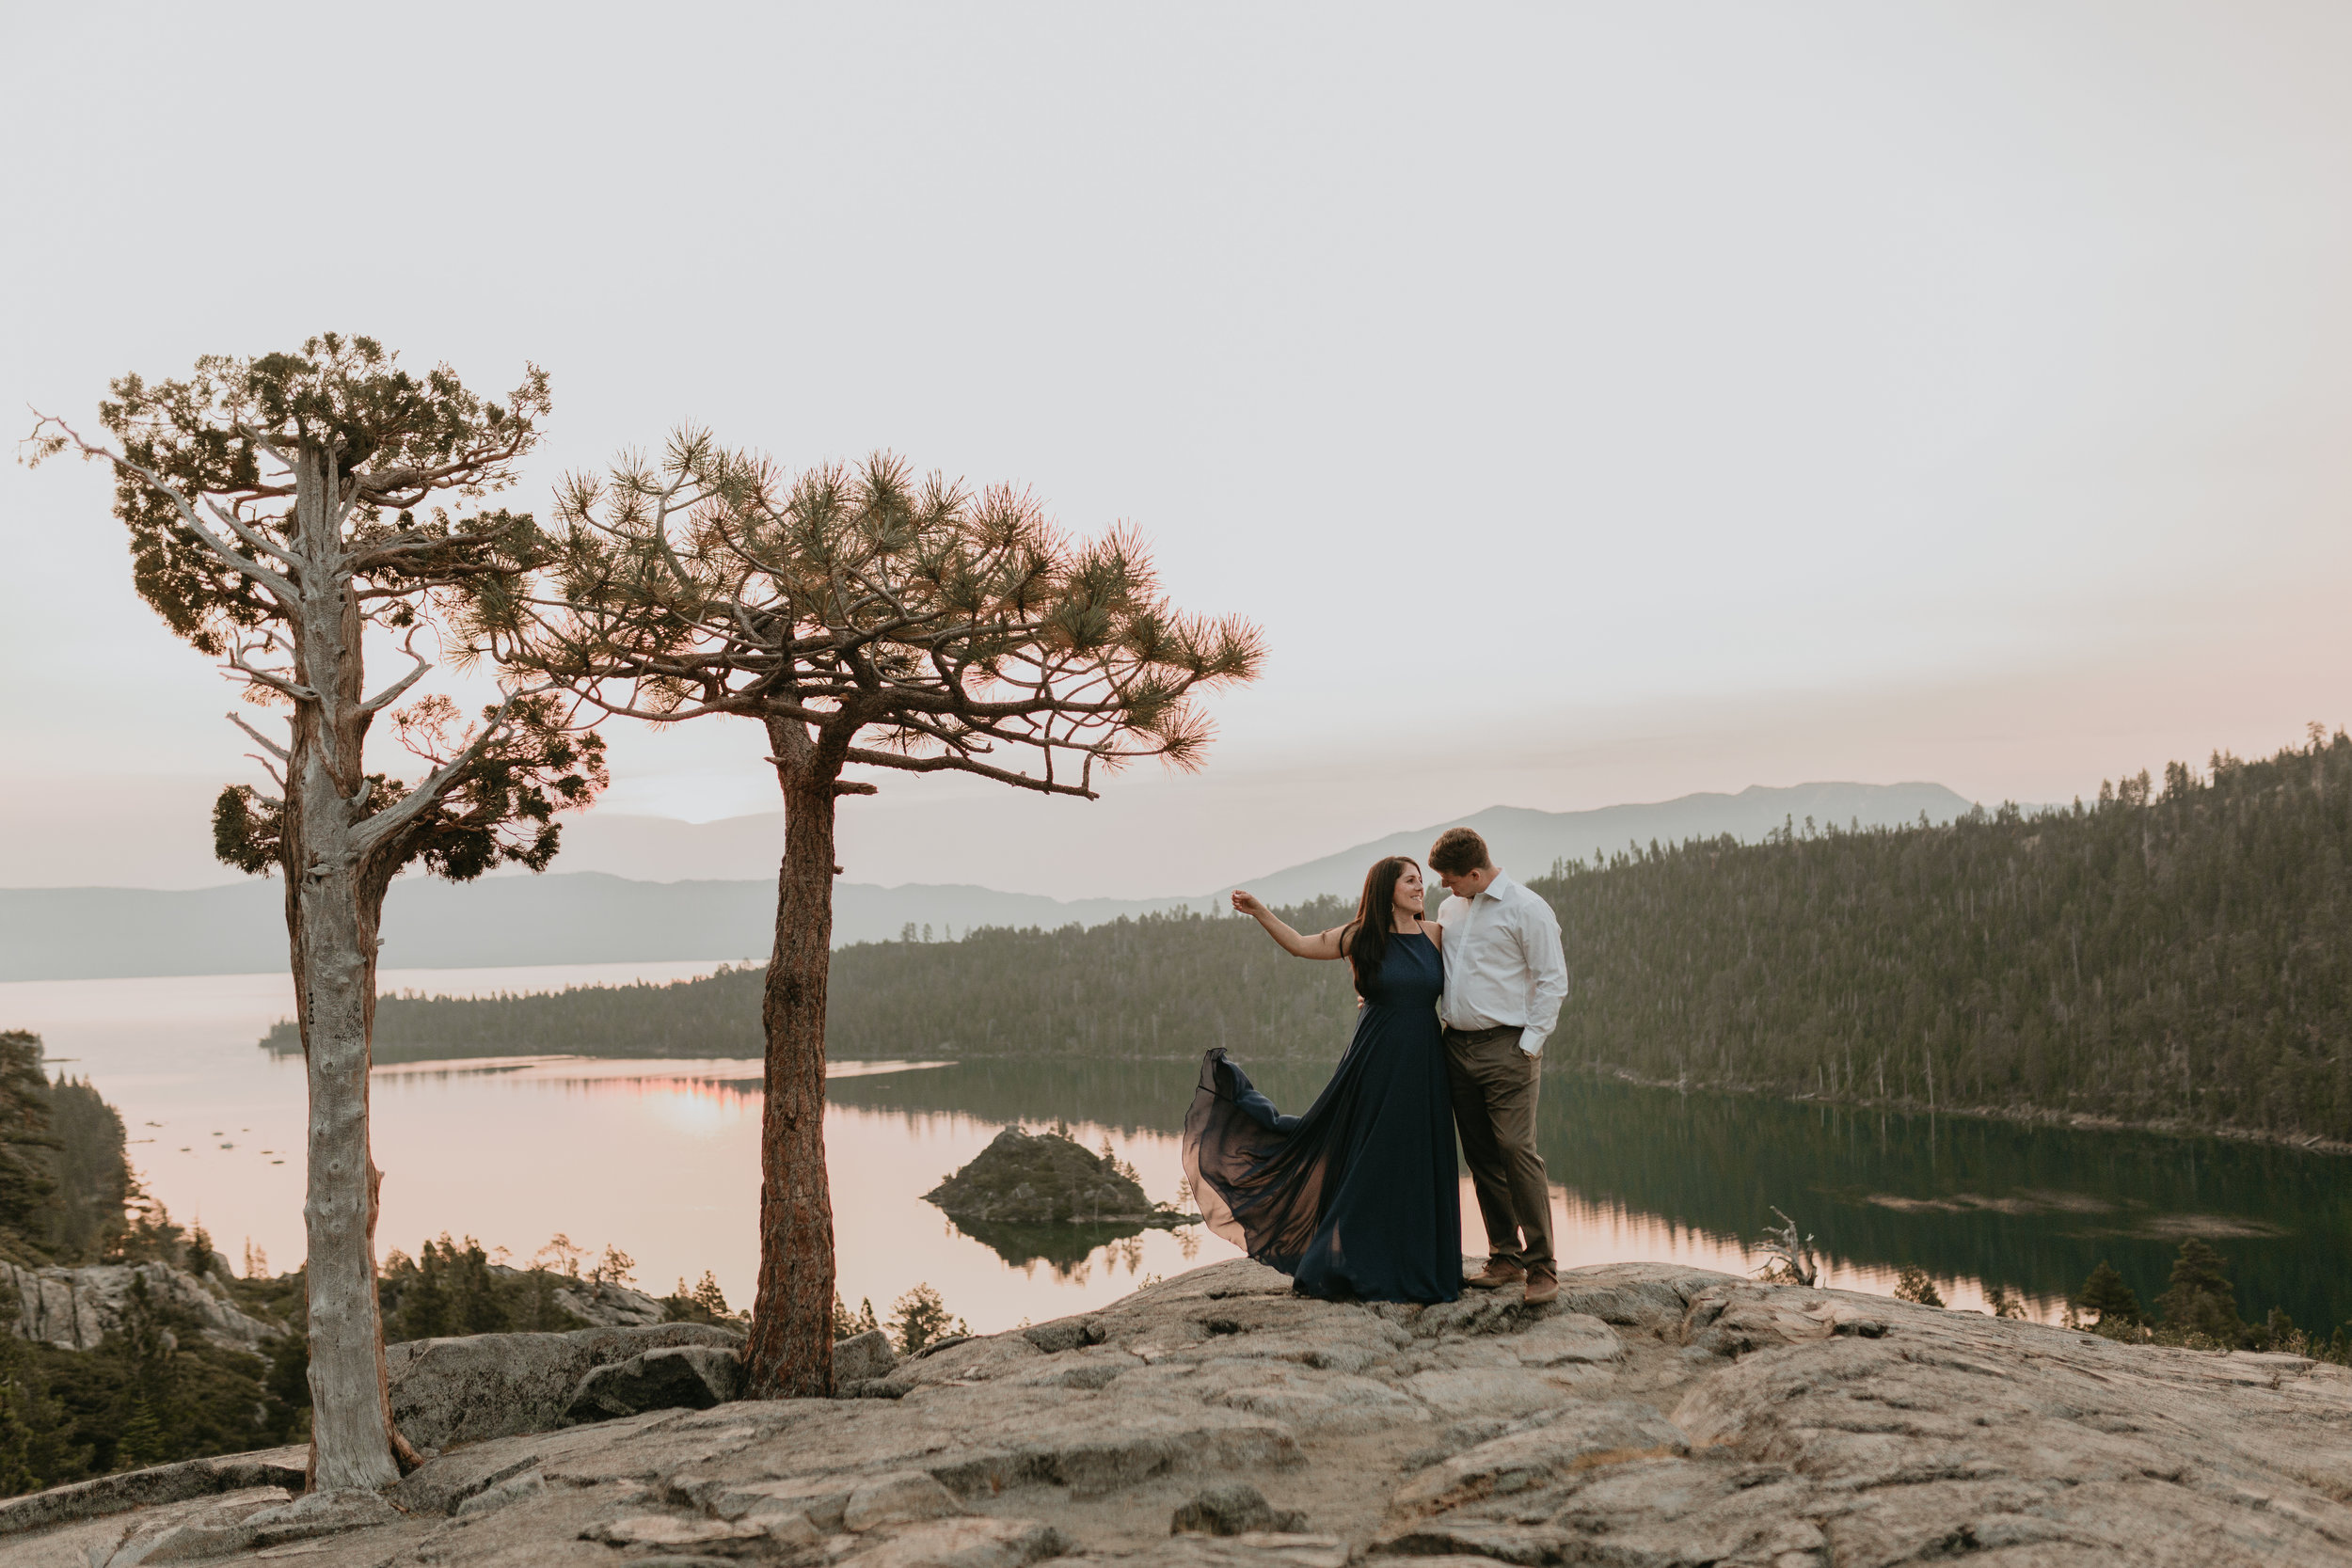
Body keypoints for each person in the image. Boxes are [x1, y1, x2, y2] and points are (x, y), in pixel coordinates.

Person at [1182, 857, 1461, 1303]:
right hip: (1375, 1060)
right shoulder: (1360, 936)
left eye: (1421, 882)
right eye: (1411, 881)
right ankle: (1358, 1262)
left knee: (1417, 1156)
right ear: (1386, 888)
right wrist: (1260, 912)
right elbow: (1299, 945)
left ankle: (1419, 1263)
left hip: (1425, 1062)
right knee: (1368, 1159)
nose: (1420, 888)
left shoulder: (1436, 935)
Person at [1426, 826, 1569, 1303]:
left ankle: (1542, 1265)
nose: (1444, 888)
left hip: (1508, 1047)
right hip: (1456, 1047)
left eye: (1450, 879)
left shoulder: (1528, 909)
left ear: (1474, 872)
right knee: (1482, 1155)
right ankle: (1505, 1256)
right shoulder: (1451, 909)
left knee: (1515, 1149)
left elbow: (1552, 981)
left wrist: (1528, 1045)